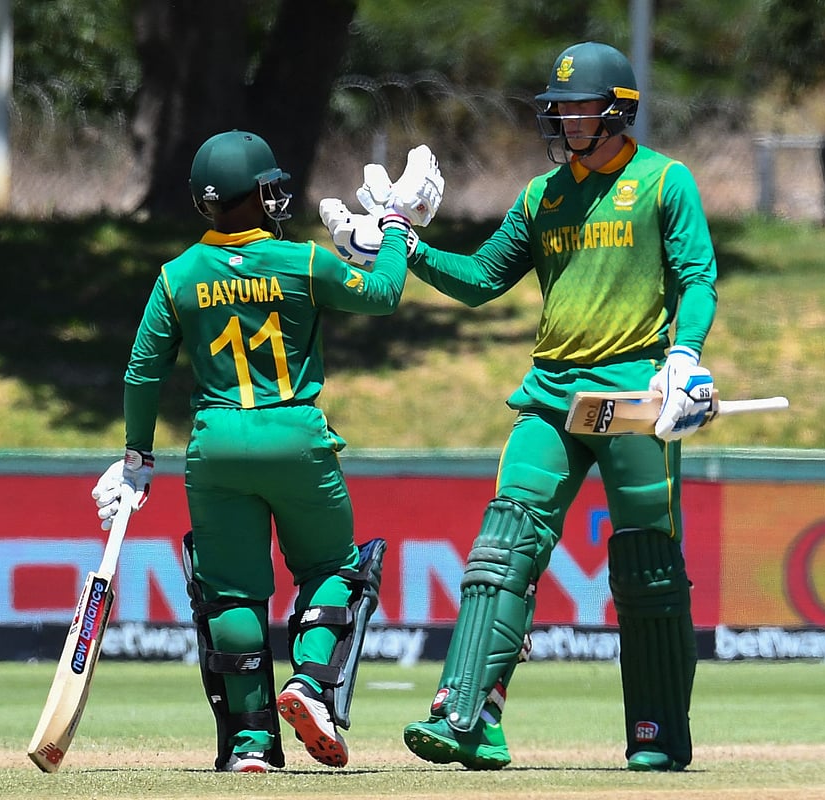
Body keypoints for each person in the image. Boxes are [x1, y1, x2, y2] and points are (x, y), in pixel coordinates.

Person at [322, 41, 718, 772]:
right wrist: (409, 248)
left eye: (579, 106)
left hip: (635, 392)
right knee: (503, 548)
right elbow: (478, 280)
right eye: (559, 106)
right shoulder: (543, 196)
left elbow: (697, 278)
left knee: (647, 567)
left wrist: (683, 360)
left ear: (617, 112)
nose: (565, 118)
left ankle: (658, 732)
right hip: (550, 394)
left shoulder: (666, 181)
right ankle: (468, 718)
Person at [89, 130, 441, 772]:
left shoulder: (176, 276)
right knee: (334, 568)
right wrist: (393, 227)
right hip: (295, 436)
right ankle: (308, 683)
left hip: (217, 446)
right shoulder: (303, 261)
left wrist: (138, 456)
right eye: (268, 189)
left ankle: (251, 741)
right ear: (253, 198)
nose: (278, 198)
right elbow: (385, 293)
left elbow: (142, 373)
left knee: (230, 595)